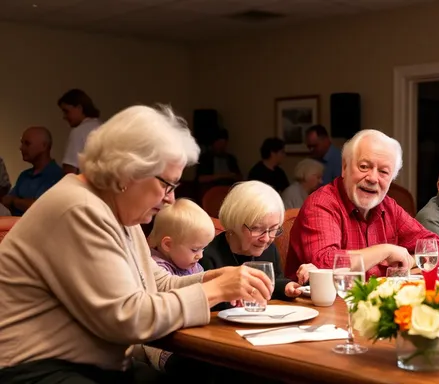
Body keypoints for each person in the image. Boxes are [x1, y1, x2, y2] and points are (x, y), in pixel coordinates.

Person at [0, 105, 273, 383]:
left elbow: (158, 286)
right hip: (32, 369)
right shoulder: (78, 209)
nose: (170, 198)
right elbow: (127, 318)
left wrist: (214, 279)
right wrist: (214, 291)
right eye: (168, 184)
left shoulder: (120, 216)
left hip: (88, 365)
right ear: (128, 172)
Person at [285, 129, 439, 280]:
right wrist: (385, 251)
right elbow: (325, 263)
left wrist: (409, 261)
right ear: (345, 168)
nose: (373, 178)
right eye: (364, 167)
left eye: (383, 172)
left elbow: (437, 247)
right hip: (322, 306)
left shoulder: (389, 206)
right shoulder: (322, 203)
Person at [200, 181, 303, 311]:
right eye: (257, 229)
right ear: (235, 223)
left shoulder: (269, 250)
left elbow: (274, 282)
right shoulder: (208, 257)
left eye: (273, 229)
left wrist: (285, 287)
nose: (266, 238)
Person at [145, 198, 216, 378]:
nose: (200, 256)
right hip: (162, 347)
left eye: (203, 249)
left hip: (193, 338)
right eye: (195, 249)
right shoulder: (155, 267)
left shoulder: (193, 265)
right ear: (167, 244)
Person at [1, 126, 63, 216]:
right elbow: (6, 201)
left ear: (44, 146)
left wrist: (15, 201)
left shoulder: (57, 176)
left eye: (27, 143)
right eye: (22, 143)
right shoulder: (24, 175)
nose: (21, 148)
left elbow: (41, 207)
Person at [58, 89, 102, 174]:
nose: (64, 116)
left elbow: (70, 171)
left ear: (79, 108)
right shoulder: (103, 127)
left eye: (66, 111)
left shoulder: (78, 132)